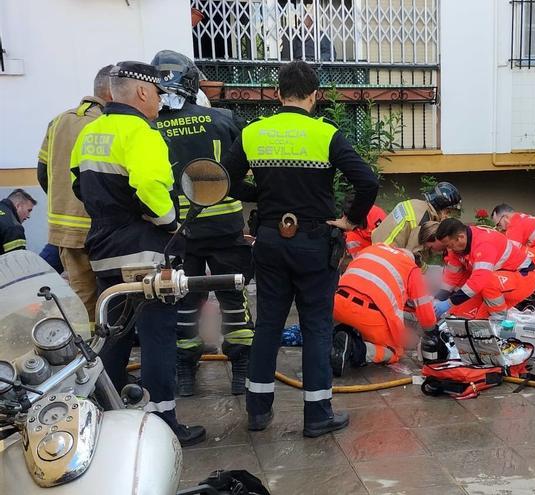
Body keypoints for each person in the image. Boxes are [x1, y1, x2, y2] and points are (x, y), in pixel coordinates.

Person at [223, 61, 379, 434]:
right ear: (314, 96)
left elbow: (223, 180)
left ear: (278, 94)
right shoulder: (325, 134)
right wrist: (351, 220)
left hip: (271, 241)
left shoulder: (254, 132)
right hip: (314, 243)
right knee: (316, 327)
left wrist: (257, 193)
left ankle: (258, 412)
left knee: (268, 326)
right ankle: (317, 415)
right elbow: (366, 182)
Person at [70, 61, 206, 446]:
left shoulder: (91, 132)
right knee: (158, 337)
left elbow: (79, 185)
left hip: (105, 251)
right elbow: (148, 186)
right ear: (143, 92)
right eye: (159, 93)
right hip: (145, 254)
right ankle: (163, 423)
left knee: (113, 336)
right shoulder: (142, 133)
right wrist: (170, 223)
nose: (161, 100)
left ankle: (110, 420)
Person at [151, 50, 254, 398]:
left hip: (176, 232)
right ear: (192, 83)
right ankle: (242, 369)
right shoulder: (223, 118)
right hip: (225, 227)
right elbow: (244, 171)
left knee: (183, 302)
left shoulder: (148, 127)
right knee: (233, 297)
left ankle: (184, 371)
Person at [37, 65, 113, 321]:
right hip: (102, 226)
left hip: (64, 227)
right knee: (114, 291)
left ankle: (87, 351)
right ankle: (109, 345)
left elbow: (42, 171)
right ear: (113, 93)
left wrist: (63, 202)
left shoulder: (58, 121)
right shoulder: (108, 124)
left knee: (82, 295)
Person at [331, 243, 436, 376]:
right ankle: (355, 349)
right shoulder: (411, 268)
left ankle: (335, 342)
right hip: (368, 314)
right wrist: (430, 331)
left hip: (337, 304)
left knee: (353, 327)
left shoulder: (371, 249)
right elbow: (424, 309)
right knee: (394, 351)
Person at [434, 218, 535, 319]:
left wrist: (448, 303)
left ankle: (499, 322)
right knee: (458, 313)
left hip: (523, 278)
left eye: (450, 245)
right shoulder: (458, 246)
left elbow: (479, 281)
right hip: (498, 282)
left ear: (460, 237)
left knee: (481, 322)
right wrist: (437, 300)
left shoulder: (484, 244)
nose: (449, 250)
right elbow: (451, 278)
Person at [371, 181, 461, 253]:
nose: (447, 216)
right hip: (386, 253)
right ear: (440, 206)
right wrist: (425, 271)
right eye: (448, 212)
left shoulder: (415, 203)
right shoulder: (424, 220)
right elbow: (411, 254)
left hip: (374, 245)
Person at [0, 189, 36, 254]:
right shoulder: (14, 228)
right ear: (18, 206)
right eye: (29, 210)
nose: (28, 216)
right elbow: (17, 261)